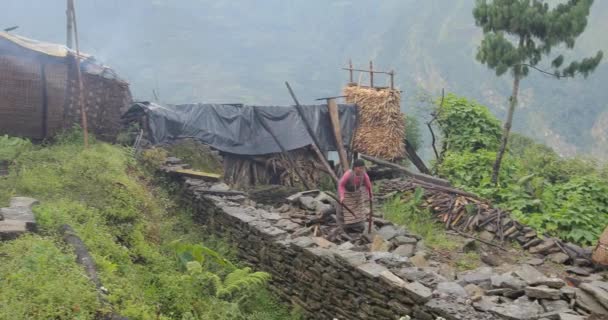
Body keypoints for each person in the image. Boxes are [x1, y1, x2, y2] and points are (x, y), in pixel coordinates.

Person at [337, 159, 373, 232]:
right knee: (342, 209)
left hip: (356, 193)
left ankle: (359, 226)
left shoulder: (364, 175)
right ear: (355, 168)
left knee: (360, 209)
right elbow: (341, 185)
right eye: (360, 168)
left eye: (363, 168)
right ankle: (343, 228)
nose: (362, 170)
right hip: (346, 192)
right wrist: (342, 196)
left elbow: (368, 186)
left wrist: (370, 196)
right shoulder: (348, 174)